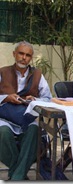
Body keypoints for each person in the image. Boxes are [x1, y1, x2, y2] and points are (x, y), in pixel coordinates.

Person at [0, 41, 52, 180]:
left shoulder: (37, 75)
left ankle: (16, 176)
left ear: (31, 58)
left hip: (27, 117)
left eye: (28, 55)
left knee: (34, 131)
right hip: (5, 118)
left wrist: (35, 100)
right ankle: (20, 176)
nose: (24, 57)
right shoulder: (2, 72)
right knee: (2, 133)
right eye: (21, 53)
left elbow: (48, 98)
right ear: (14, 54)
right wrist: (6, 98)